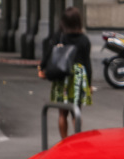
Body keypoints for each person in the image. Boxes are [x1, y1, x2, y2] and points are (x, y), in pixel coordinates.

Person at [39, 7, 92, 141]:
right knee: (76, 112)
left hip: (62, 75)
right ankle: (77, 140)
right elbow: (87, 63)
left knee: (62, 113)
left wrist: (42, 68)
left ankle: (64, 141)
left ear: (64, 22)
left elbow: (48, 54)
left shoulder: (59, 37)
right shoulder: (84, 40)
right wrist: (89, 84)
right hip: (78, 78)